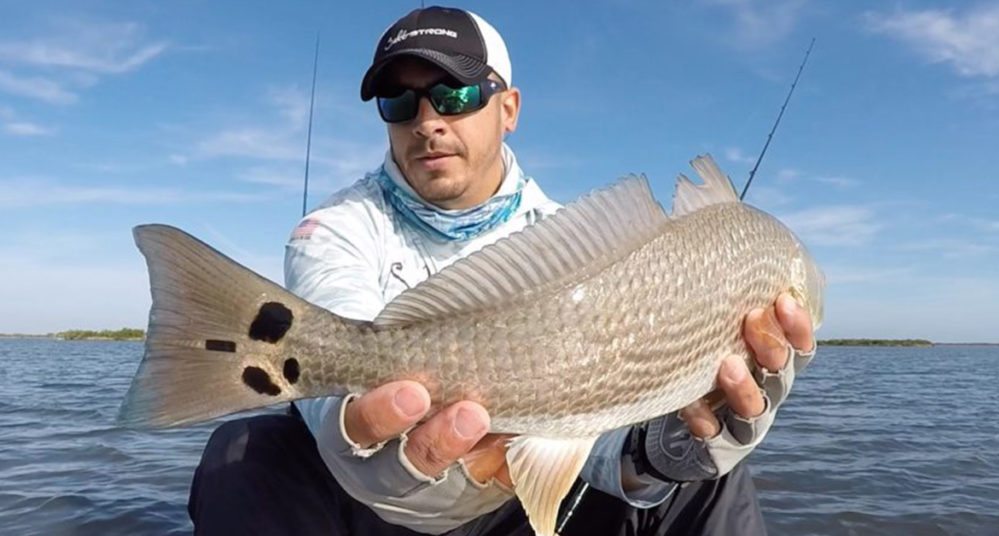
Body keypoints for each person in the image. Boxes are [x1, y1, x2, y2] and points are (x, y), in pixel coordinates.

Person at [187, 6, 817, 536]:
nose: (427, 120)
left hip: (516, 503)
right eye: (399, 101)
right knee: (242, 453)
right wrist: (364, 446)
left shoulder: (574, 237)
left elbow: (585, 419)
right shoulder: (335, 229)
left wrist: (656, 453)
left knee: (710, 471)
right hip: (367, 509)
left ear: (508, 107)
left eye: (456, 94)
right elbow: (335, 421)